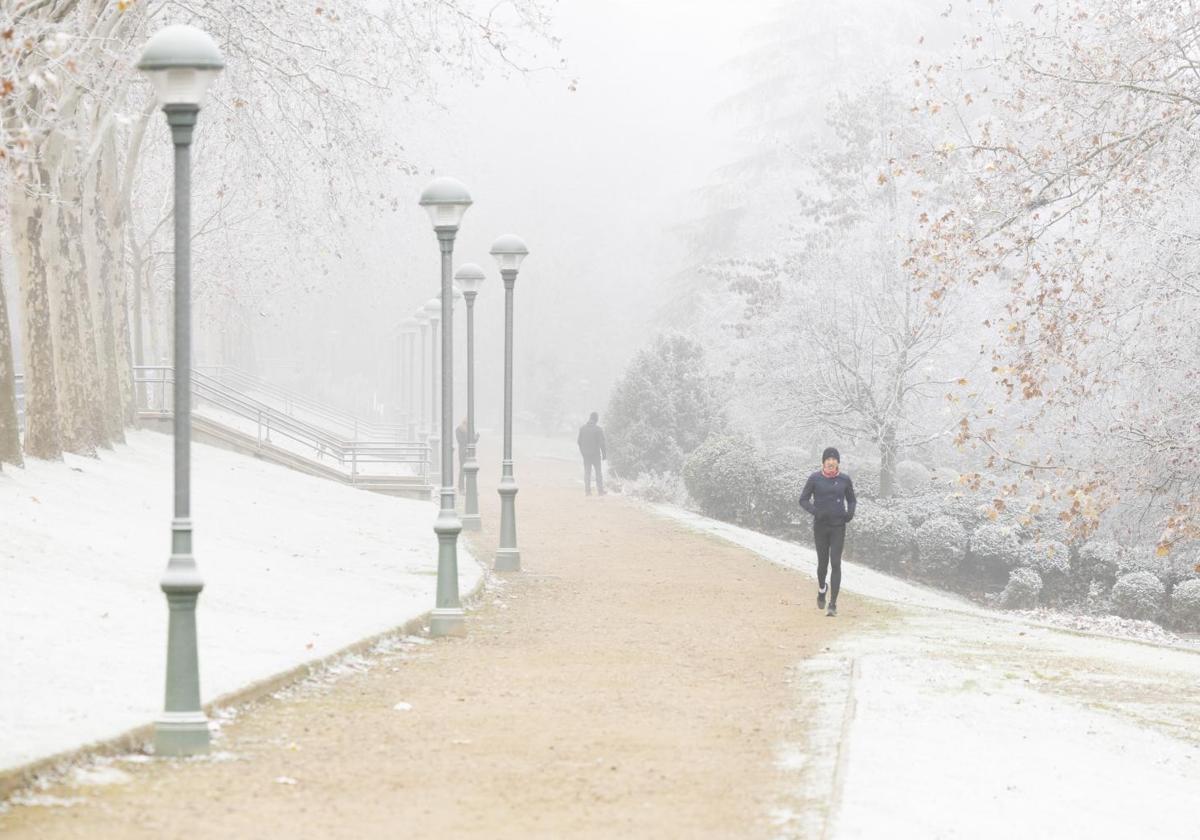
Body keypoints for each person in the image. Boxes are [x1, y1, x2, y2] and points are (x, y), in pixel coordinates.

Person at [798, 447, 856, 617]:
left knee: (836, 563)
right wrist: (816, 511)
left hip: (838, 526)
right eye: (828, 459)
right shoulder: (815, 478)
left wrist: (850, 513)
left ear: (838, 462)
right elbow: (803, 500)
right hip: (821, 526)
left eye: (834, 459)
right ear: (823, 462)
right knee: (822, 565)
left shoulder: (845, 479)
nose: (831, 462)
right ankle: (822, 588)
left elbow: (852, 499)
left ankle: (833, 604)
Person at [577, 411, 607, 496]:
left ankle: (587, 491)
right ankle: (600, 491)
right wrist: (604, 454)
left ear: (590, 418)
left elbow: (579, 442)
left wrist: (583, 452)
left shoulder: (582, 429)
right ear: (596, 419)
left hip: (586, 455)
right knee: (598, 473)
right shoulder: (598, 429)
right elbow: (602, 443)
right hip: (596, 455)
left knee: (587, 473)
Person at [455, 418, 477, 491]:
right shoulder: (458, 429)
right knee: (463, 470)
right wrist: (469, 439)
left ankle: (470, 488)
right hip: (463, 452)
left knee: (471, 471)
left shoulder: (471, 429)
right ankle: (461, 487)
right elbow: (460, 441)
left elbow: (473, 441)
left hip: (471, 452)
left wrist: (476, 437)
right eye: (466, 423)